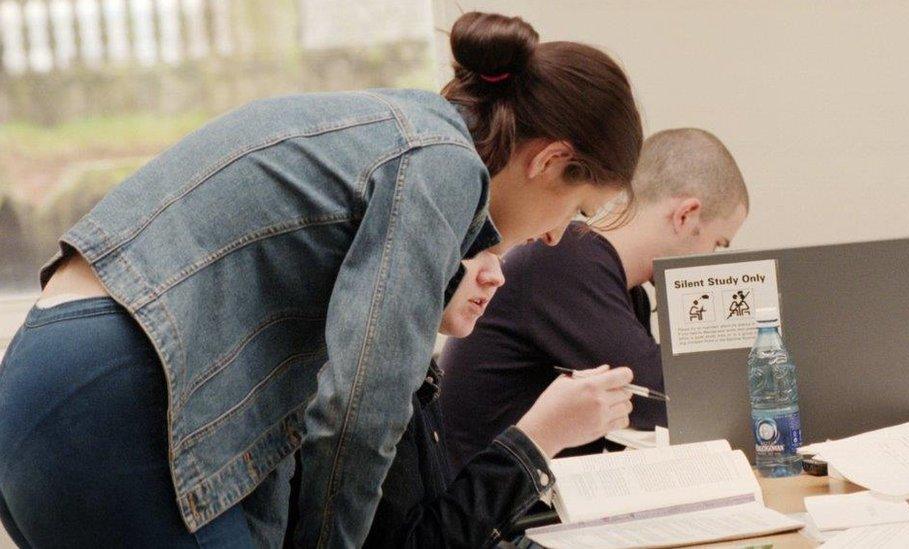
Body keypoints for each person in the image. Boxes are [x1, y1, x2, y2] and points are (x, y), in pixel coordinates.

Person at [0, 12, 642, 549]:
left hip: (52, 378)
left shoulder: (388, 128)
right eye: (577, 209)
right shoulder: (442, 164)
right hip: (119, 387)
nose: (557, 236)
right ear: (551, 160)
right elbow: (361, 406)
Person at [439, 128, 749, 472]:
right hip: (483, 506)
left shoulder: (627, 290)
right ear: (685, 215)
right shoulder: (567, 261)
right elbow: (667, 403)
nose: (711, 260)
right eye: (717, 244)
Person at [358, 251, 634, 548]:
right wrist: (539, 437)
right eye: (473, 251)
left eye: (498, 256)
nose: (497, 276)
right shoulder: (376, 379)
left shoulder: (413, 365)